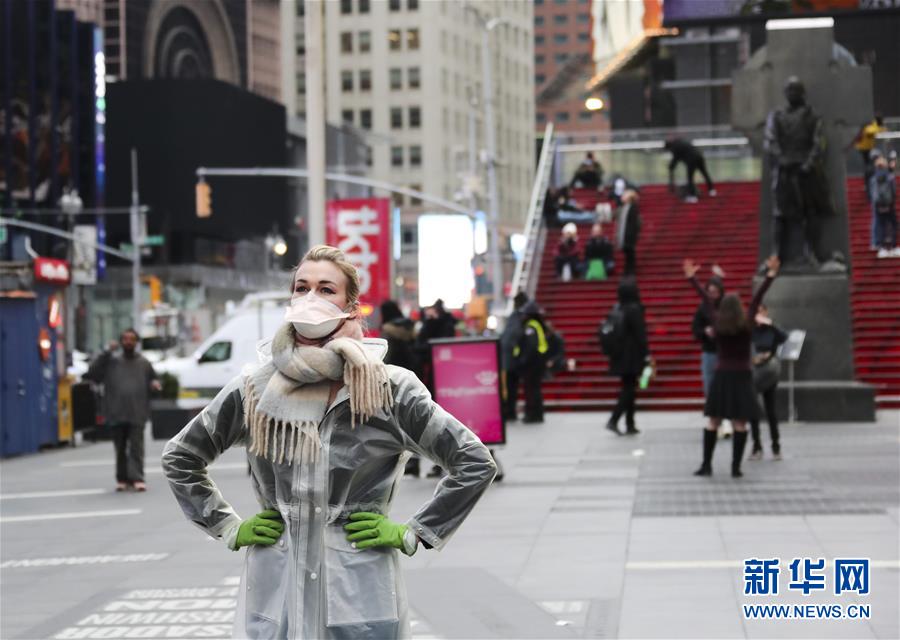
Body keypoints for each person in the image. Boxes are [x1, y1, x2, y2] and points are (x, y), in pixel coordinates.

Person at [162, 245, 497, 639]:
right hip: (277, 584)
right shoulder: (255, 388)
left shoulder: (388, 389)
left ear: (351, 307)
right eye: (301, 288)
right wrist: (228, 526)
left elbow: (474, 461)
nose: (311, 298)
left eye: (326, 289)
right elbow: (181, 456)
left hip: (358, 588)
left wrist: (415, 531)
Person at [684, 254, 780, 478]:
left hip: (722, 374)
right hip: (743, 375)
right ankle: (736, 468)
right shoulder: (746, 324)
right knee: (740, 422)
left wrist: (692, 279)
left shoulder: (717, 322)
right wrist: (770, 275)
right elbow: (758, 297)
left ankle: (706, 464)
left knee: (713, 421)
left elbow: (707, 301)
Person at [84, 328, 160, 492]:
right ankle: (122, 478)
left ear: (136, 342)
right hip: (116, 411)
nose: (128, 342)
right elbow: (92, 373)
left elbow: (154, 379)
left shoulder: (144, 363)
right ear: (120, 342)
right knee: (119, 447)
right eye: (125, 339)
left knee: (137, 447)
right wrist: (106, 352)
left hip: (137, 411)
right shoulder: (111, 361)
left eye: (132, 339)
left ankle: (137, 478)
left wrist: (155, 384)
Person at [380, 300, 423, 477]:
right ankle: (415, 461)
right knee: (413, 421)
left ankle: (406, 461)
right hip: (414, 379)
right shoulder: (409, 327)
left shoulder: (389, 331)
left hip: (395, 382)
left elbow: (388, 358)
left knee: (396, 423)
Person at [604, 279, 649, 436]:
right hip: (632, 355)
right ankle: (614, 419)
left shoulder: (617, 308)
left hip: (619, 355)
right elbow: (640, 334)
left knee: (629, 387)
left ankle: (630, 423)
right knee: (629, 389)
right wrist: (646, 354)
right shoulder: (634, 309)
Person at [748, 304, 788, 461]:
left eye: (761, 311)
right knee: (753, 410)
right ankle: (756, 446)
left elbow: (784, 337)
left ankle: (776, 446)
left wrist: (771, 324)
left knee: (770, 410)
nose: (759, 314)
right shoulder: (750, 329)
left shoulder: (771, 329)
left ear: (766, 312)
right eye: (756, 311)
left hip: (769, 372)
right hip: (753, 372)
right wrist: (754, 358)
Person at [514, 301, 549, 424]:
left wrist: (523, 360)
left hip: (532, 363)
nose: (522, 316)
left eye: (525, 314)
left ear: (529, 315)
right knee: (535, 389)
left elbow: (531, 346)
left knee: (531, 390)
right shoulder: (537, 325)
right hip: (537, 362)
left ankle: (532, 414)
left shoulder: (531, 327)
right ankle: (537, 414)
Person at [499, 292, 529, 421]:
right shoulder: (519, 316)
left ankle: (510, 412)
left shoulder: (516, 316)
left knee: (510, 387)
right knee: (512, 387)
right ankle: (510, 412)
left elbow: (508, 337)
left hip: (510, 358)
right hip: (512, 359)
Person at [664, 137, 717, 203]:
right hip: (699, 155)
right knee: (704, 172)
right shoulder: (680, 141)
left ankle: (692, 196)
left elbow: (675, 159)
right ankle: (711, 190)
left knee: (690, 177)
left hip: (691, 159)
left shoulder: (675, 147)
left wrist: (671, 167)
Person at [869, 154, 898, 258]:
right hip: (889, 204)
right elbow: (893, 191)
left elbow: (872, 193)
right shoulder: (890, 177)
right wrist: (892, 201)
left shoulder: (873, 179)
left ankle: (881, 247)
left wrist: (875, 203)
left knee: (880, 225)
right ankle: (893, 246)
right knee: (893, 225)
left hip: (878, 206)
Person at [855, 113, 885, 196]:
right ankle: (868, 182)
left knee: (869, 165)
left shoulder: (874, 125)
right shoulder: (873, 126)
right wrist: (880, 129)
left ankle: (869, 179)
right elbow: (869, 132)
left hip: (867, 148)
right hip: (865, 149)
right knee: (869, 166)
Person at [616, 189, 641, 276]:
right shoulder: (623, 208)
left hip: (629, 236)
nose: (622, 197)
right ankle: (627, 269)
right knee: (627, 253)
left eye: (624, 195)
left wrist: (631, 234)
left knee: (630, 253)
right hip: (625, 235)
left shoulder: (633, 208)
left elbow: (634, 224)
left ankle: (631, 270)